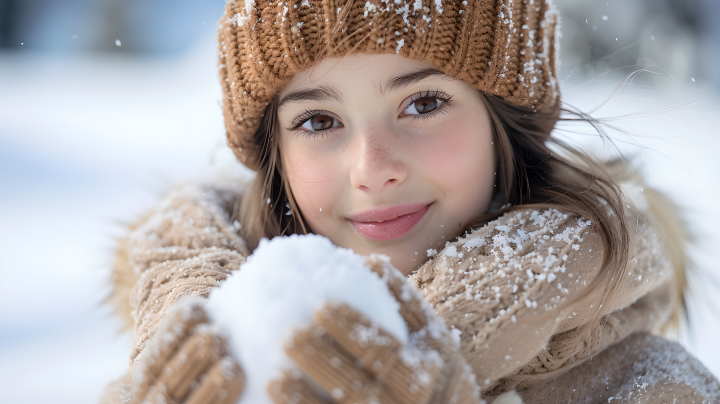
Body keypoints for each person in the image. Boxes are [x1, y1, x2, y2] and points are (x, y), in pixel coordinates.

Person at [99, 0, 720, 402]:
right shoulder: (187, 366)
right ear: (274, 155)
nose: (372, 170)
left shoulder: (650, 387)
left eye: (422, 104)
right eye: (318, 120)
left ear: (505, 121)